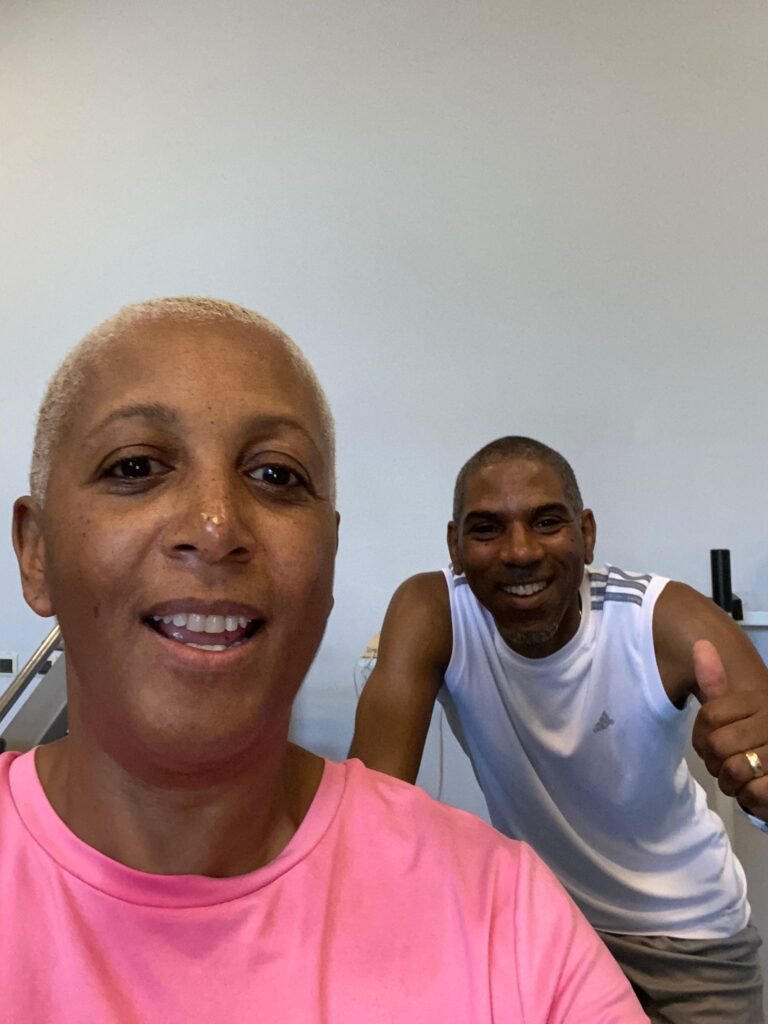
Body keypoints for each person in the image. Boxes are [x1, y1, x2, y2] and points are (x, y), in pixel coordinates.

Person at [1, 303, 646, 1023]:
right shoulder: (434, 611)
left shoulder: (507, 919)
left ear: (329, 559)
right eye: (136, 467)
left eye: (276, 475)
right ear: (36, 553)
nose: (215, 530)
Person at [350, 435, 768, 1024]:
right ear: (454, 545)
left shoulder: (668, 620)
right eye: (487, 529)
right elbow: (373, 811)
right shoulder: (434, 610)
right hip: (549, 931)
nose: (520, 552)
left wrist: (760, 791)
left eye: (547, 522)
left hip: (690, 938)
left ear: (586, 532)